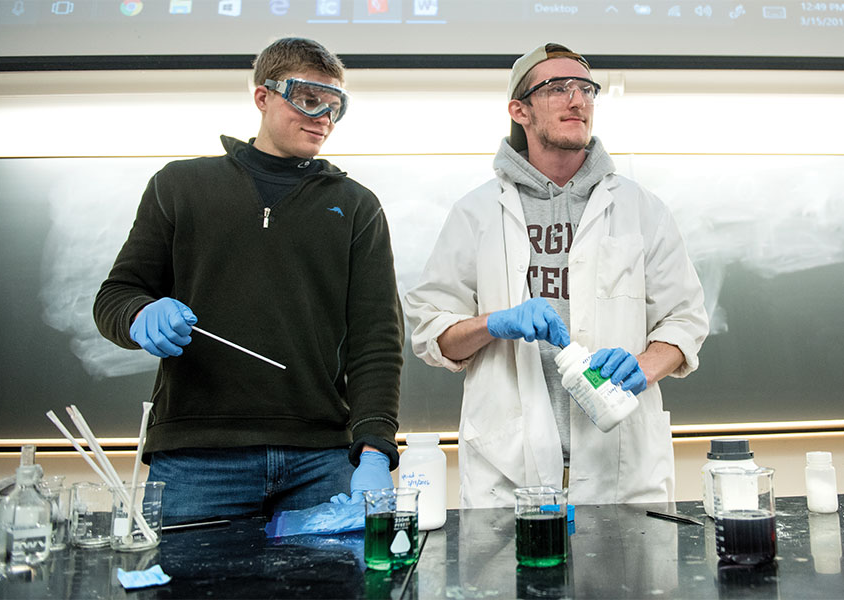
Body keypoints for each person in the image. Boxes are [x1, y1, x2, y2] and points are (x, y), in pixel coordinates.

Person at [94, 37, 403, 523]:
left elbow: (377, 339)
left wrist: (375, 448)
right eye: (307, 98)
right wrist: (139, 314)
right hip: (197, 457)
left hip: (320, 457)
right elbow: (115, 296)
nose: (323, 115)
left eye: (335, 105)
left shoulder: (357, 206)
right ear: (263, 97)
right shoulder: (180, 186)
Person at [404, 43, 709, 508]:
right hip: (506, 472)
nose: (578, 100)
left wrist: (642, 368)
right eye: (557, 88)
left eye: (586, 89)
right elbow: (432, 333)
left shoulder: (640, 209)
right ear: (519, 110)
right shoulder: (477, 212)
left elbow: (685, 319)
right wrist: (492, 323)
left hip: (621, 469)